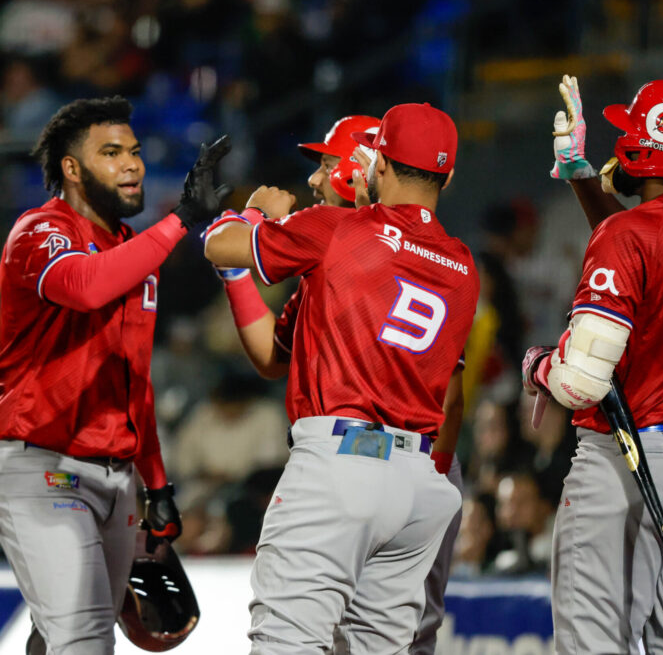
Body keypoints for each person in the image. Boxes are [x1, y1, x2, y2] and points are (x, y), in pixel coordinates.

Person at [204, 102, 478, 654]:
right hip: (417, 482)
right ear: (447, 175)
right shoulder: (462, 264)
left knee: (286, 642)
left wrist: (256, 213)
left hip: (341, 464)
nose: (313, 178)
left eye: (326, 165)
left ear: (374, 165)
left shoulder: (335, 231)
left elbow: (219, 243)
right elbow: (272, 356)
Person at [0, 96, 230, 654]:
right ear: (72, 168)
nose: (133, 165)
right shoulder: (41, 229)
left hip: (117, 480)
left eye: (135, 152)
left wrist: (157, 483)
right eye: (111, 153)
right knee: (84, 636)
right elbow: (86, 285)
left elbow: (134, 378)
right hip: (41, 467)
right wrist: (180, 222)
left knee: (61, 637)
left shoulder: (130, 250)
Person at [523, 77, 663, 652]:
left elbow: (579, 383)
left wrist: (536, 368)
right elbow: (655, 236)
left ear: (652, 149)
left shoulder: (631, 233)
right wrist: (579, 176)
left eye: (630, 132)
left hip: (637, 454)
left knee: (594, 641)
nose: (619, 142)